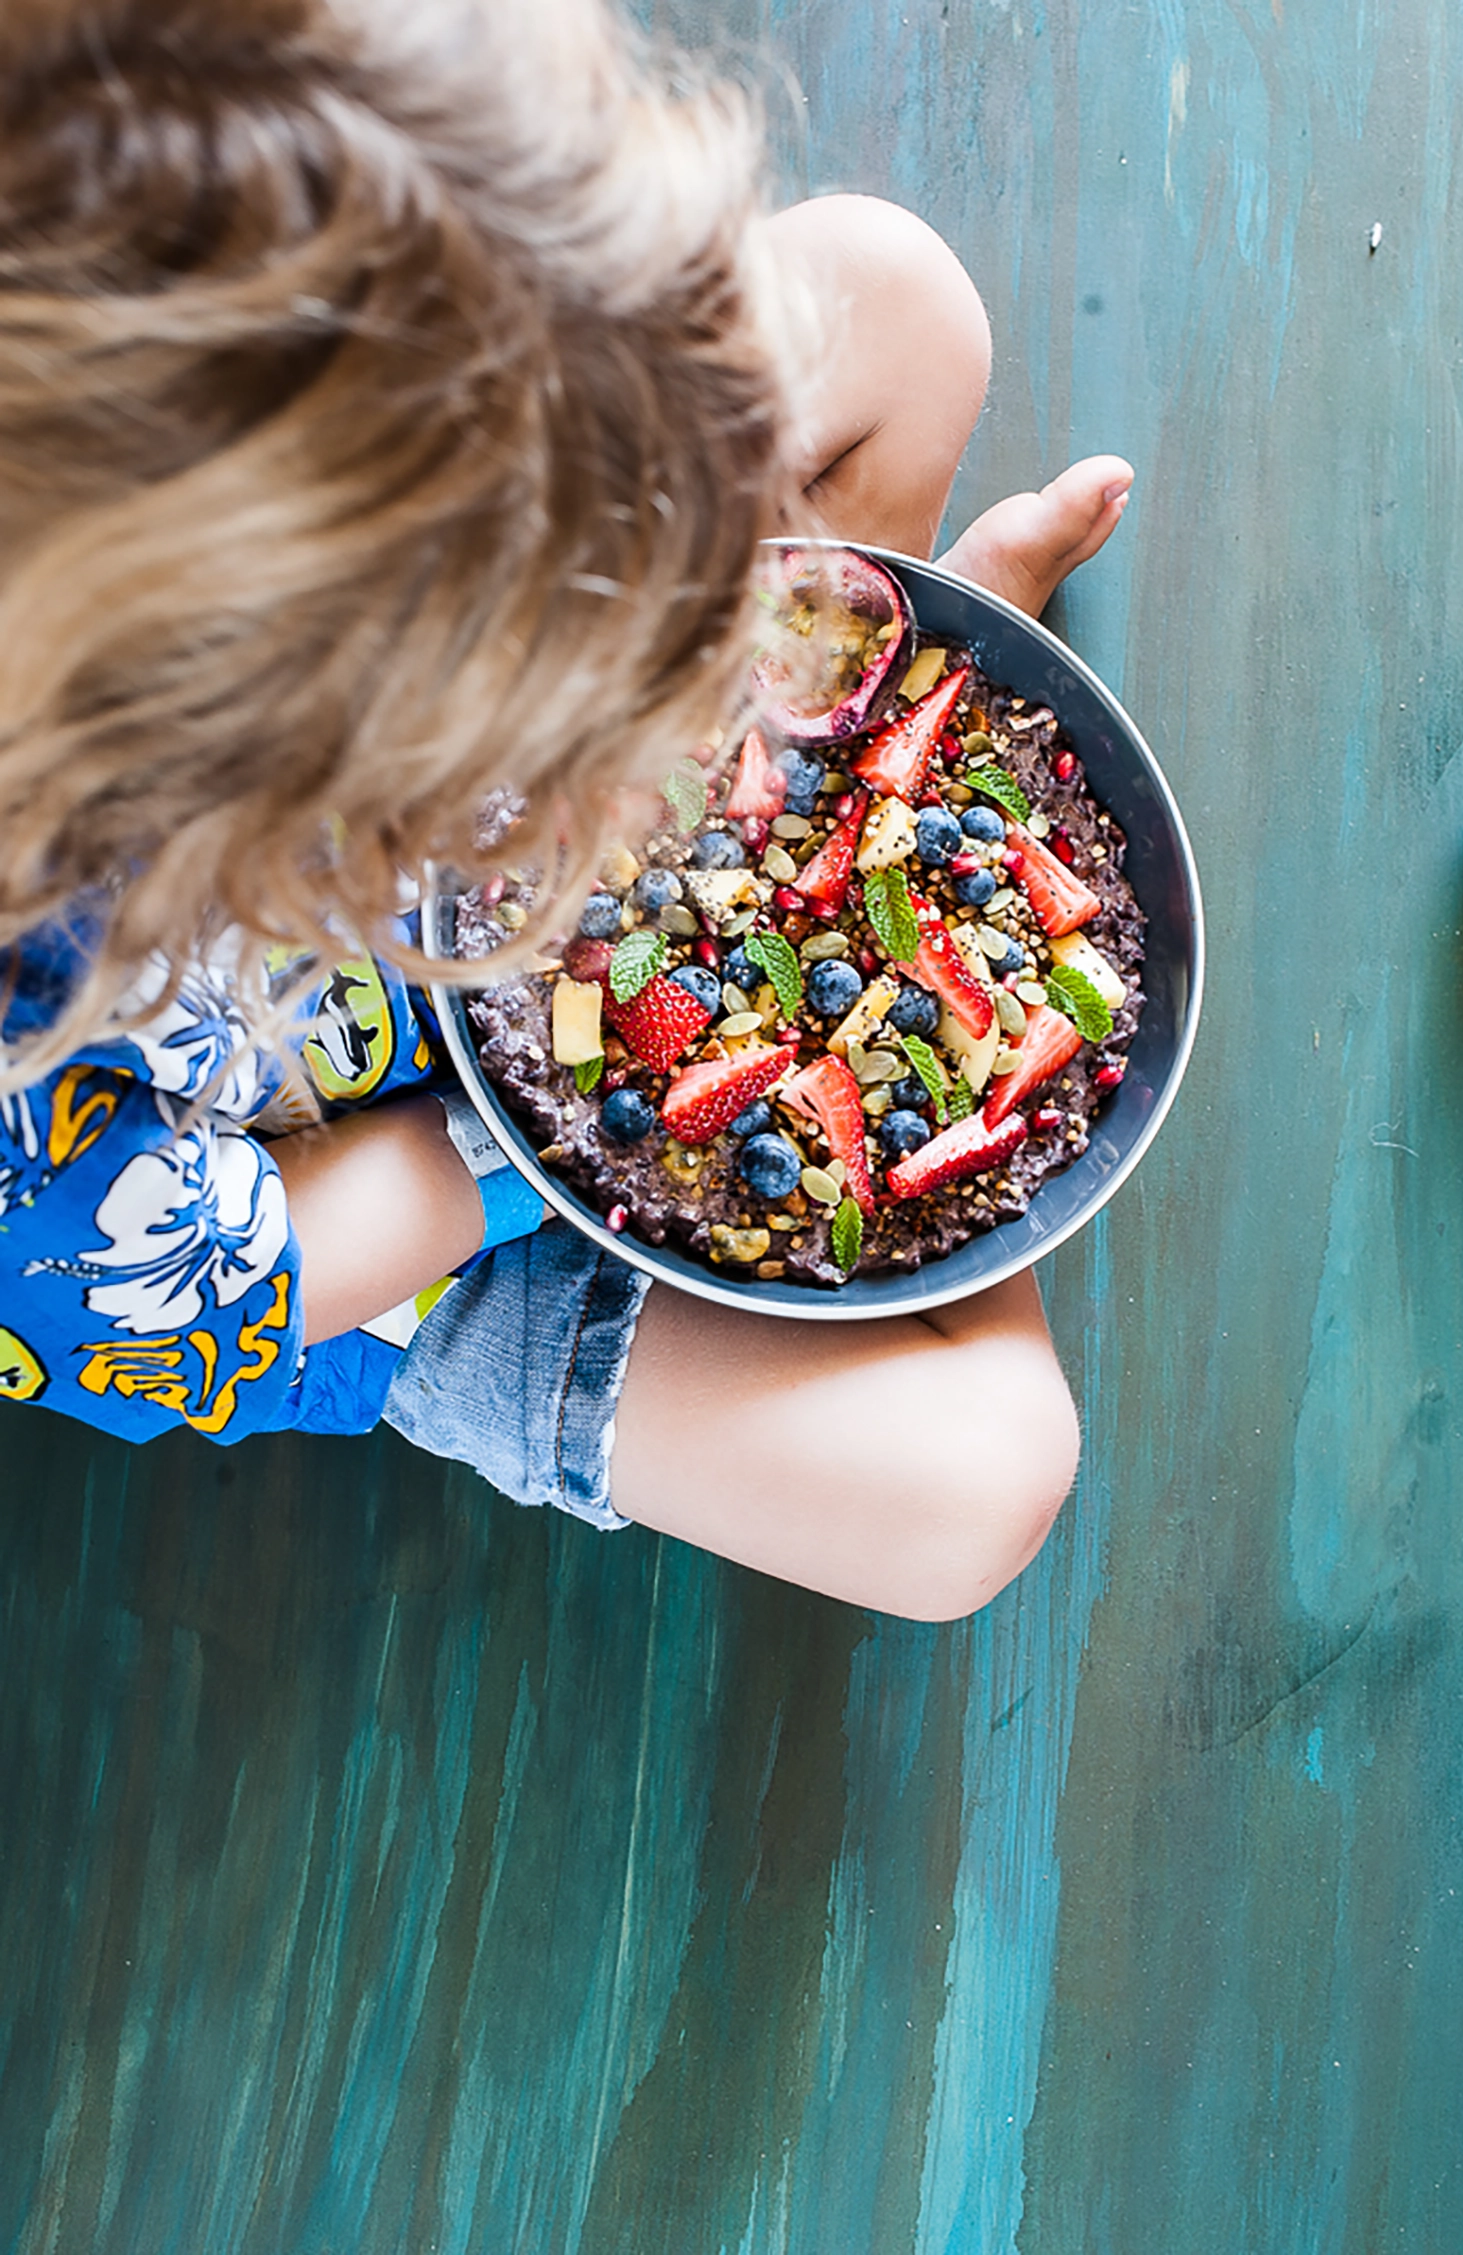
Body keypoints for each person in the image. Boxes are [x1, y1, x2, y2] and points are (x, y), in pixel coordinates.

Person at [0, 0, 1131, 1620]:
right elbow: (257, 1272)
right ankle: (950, 1176)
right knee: (981, 1484)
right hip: (373, 1209)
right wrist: (592, 1140)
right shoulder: (32, 1116)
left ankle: (875, 704)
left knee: (898, 301)